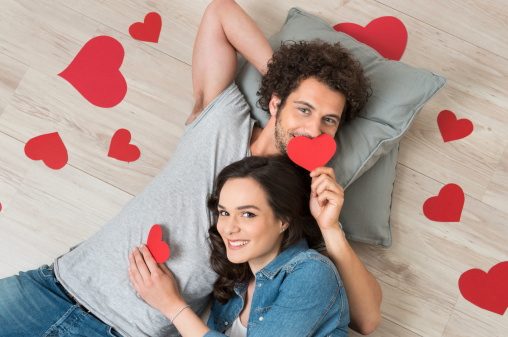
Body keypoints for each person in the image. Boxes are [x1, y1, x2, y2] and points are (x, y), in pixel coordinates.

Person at [0, 0, 381, 336]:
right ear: (277, 102)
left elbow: (365, 320)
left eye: (329, 120)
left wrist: (331, 229)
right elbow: (220, 12)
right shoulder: (223, 116)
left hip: (128, 331)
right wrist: (284, 78)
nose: (313, 130)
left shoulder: (303, 195)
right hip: (52, 286)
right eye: (304, 109)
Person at [128, 155, 350, 336]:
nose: (229, 228)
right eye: (224, 213)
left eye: (247, 214)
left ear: (283, 220)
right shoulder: (235, 281)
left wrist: (172, 306)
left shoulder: (312, 272)